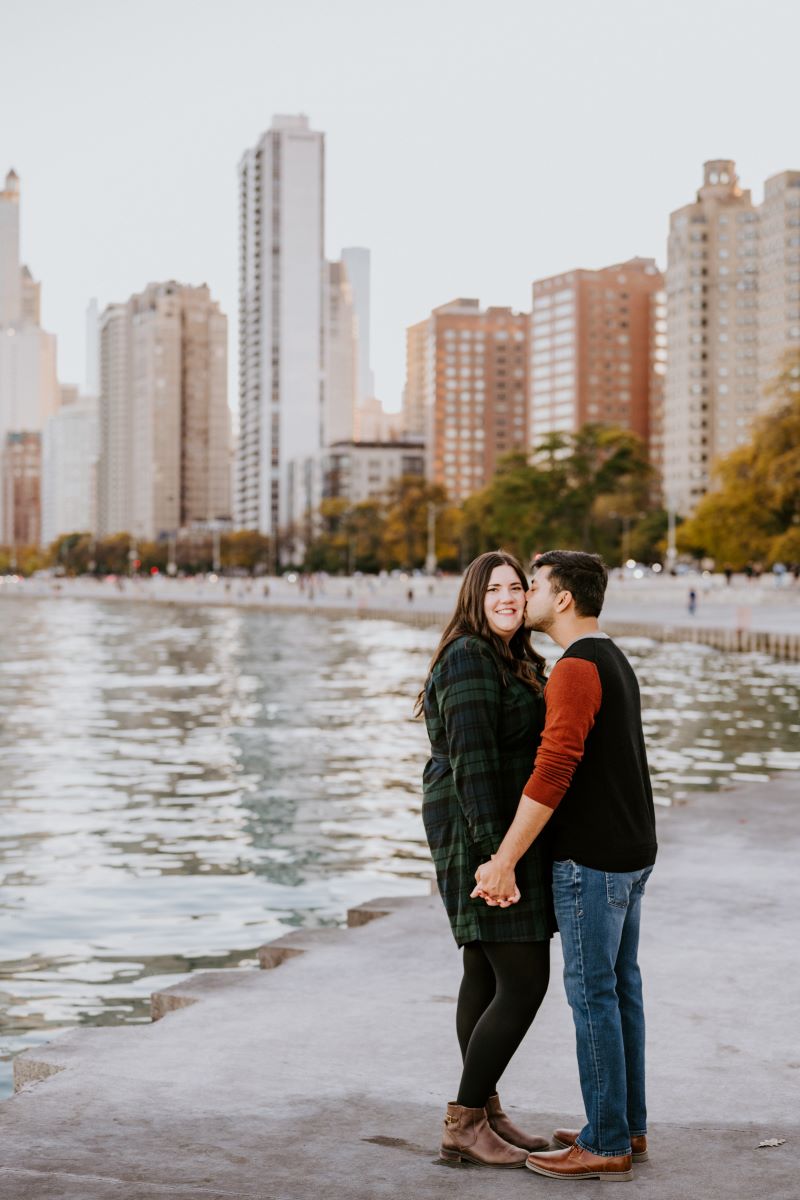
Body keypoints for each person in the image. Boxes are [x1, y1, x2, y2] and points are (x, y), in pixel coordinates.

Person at [474, 550, 657, 1183]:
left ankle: (606, 1142)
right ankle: (625, 1124)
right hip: (631, 854)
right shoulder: (612, 657)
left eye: (534, 584)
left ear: (563, 599)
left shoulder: (575, 669)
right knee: (620, 990)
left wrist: (503, 860)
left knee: (594, 996)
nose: (524, 595)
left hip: (594, 860)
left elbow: (554, 770)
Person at [418, 550, 555, 1168]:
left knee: (485, 971)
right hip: (482, 830)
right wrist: (496, 859)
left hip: (493, 828)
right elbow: (473, 762)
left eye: (517, 588)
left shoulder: (512, 659)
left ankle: (486, 1112)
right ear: (474, 598)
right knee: (525, 979)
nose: (507, 597)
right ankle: (464, 1121)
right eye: (494, 588)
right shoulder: (470, 655)